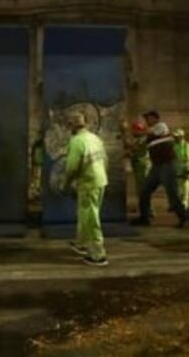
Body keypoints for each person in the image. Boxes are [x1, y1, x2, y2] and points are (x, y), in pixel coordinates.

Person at [64, 112, 109, 267]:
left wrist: (66, 183)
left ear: (71, 127)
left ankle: (98, 255)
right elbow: (105, 160)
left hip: (89, 182)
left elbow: (71, 168)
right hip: (100, 179)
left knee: (91, 218)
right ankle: (82, 243)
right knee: (86, 213)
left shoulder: (76, 141)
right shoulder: (95, 138)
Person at [132, 110, 187, 227]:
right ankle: (144, 218)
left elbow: (146, 133)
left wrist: (135, 131)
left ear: (156, 118)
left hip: (168, 165)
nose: (147, 121)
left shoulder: (161, 126)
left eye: (149, 118)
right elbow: (138, 143)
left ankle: (184, 218)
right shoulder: (148, 136)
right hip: (156, 167)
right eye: (146, 119)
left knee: (172, 193)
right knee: (144, 191)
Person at [124, 118, 151, 214]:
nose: (133, 132)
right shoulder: (138, 139)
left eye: (134, 130)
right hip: (138, 165)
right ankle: (143, 209)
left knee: (143, 189)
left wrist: (129, 151)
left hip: (142, 166)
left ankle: (147, 212)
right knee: (140, 189)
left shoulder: (143, 140)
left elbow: (134, 149)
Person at [173, 128, 189, 209]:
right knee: (176, 186)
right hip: (175, 168)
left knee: (185, 185)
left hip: (184, 167)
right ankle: (177, 203)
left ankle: (184, 202)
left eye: (177, 137)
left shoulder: (186, 146)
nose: (175, 138)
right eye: (175, 136)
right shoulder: (174, 145)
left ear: (181, 137)